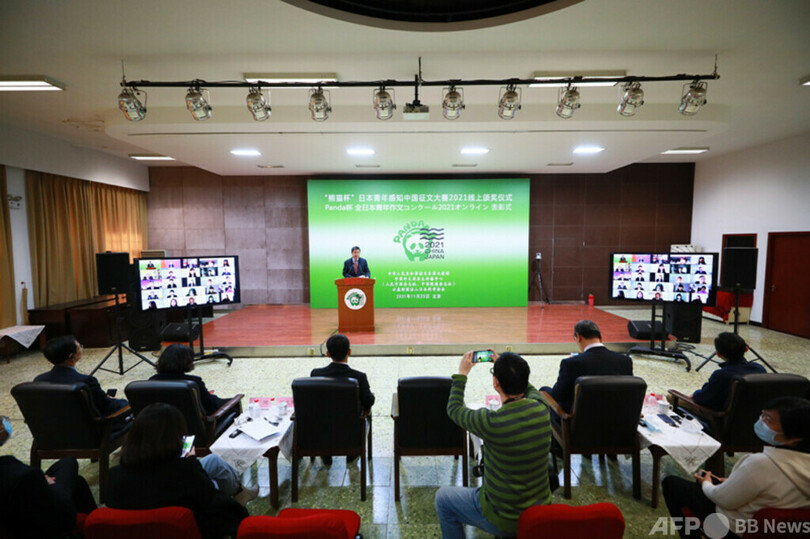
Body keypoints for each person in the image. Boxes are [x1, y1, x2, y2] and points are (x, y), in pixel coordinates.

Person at [435, 351, 551, 538]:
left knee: (443, 499)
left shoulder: (491, 422)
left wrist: (462, 374)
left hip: (505, 518)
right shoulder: (542, 409)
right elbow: (531, 391)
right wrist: (512, 372)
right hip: (539, 512)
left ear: (496, 382)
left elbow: (454, 409)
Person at [662, 397, 810, 538]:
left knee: (672, 484)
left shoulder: (761, 464)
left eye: (769, 420)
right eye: (762, 414)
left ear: (794, 437)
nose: (761, 421)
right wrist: (733, 482)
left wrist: (706, 483)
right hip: (777, 531)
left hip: (733, 529)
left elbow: (722, 499)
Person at [107, 403, 253, 539]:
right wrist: (191, 462)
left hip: (143, 530)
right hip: (188, 528)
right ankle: (240, 497)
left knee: (213, 461)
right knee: (213, 483)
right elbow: (211, 500)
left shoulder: (114, 476)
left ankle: (240, 491)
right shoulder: (184, 472)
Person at [0, 414, 97, 539]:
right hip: (51, 524)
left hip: (22, 509)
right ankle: (97, 528)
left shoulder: (13, 469)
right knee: (69, 463)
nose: (4, 422)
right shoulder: (22, 474)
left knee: (77, 481)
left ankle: (92, 526)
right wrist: (50, 484)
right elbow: (58, 512)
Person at [34, 335, 132, 437]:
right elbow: (105, 406)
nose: (82, 348)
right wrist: (122, 402)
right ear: (71, 356)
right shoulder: (86, 381)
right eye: (80, 347)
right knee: (126, 406)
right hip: (90, 435)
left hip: (53, 434)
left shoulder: (39, 380)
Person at [542, 320, 633, 417]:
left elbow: (559, 396)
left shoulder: (571, 363)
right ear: (600, 338)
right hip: (617, 419)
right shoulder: (625, 361)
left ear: (579, 337)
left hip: (581, 421)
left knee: (544, 390)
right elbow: (630, 394)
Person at [310, 334, 374, 465]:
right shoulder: (359, 377)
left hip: (322, 430)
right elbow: (368, 401)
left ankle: (325, 451)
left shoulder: (316, 374)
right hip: (349, 431)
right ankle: (352, 452)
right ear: (349, 352)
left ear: (328, 354)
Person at [678, 333, 766, 410]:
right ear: (746, 348)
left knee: (674, 397)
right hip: (752, 415)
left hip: (719, 415)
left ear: (718, 354)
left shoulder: (721, 375)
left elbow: (703, 398)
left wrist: (695, 394)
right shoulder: (760, 369)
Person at [150, 344, 232, 415]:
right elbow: (210, 406)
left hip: (161, 425)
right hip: (194, 426)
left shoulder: (151, 382)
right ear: (187, 362)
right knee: (233, 404)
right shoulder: (193, 382)